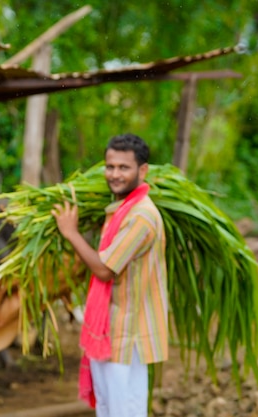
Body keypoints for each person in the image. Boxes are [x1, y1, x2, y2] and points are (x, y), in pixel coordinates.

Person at [51, 133, 168, 417]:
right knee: (107, 409)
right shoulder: (119, 211)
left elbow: (104, 269)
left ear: (142, 171)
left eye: (123, 168)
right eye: (110, 166)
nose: (114, 174)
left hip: (128, 333)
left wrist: (70, 232)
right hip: (109, 329)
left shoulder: (141, 216)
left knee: (124, 410)